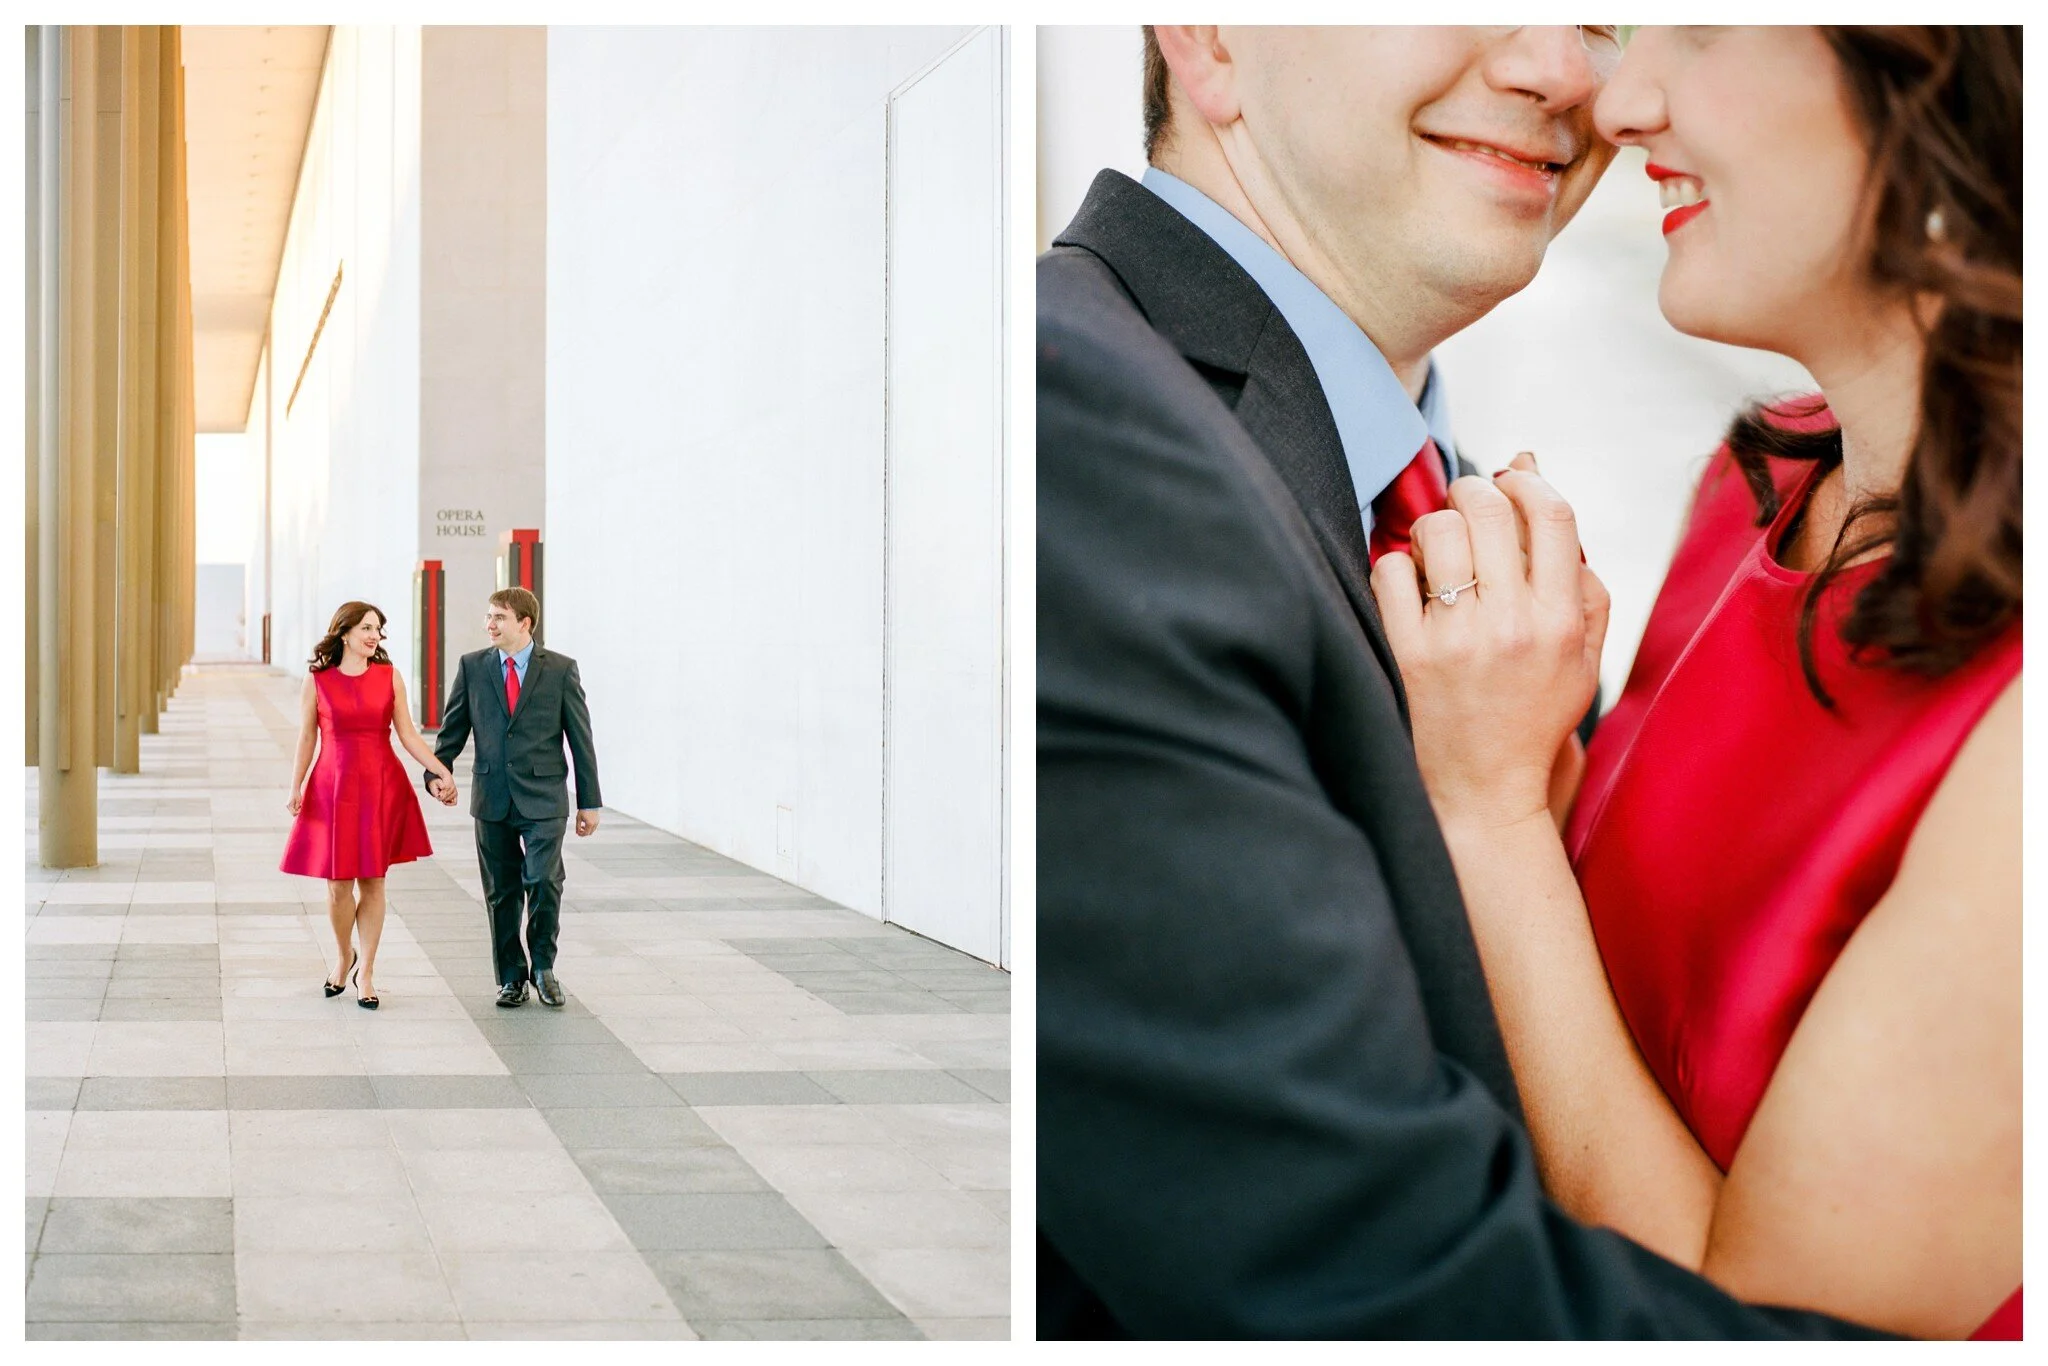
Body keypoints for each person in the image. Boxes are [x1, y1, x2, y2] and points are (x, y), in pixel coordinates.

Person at [1038, 25, 1881, 1338]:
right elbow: (1355, 1279)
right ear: (1205, 36)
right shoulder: (1079, 423)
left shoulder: (1425, 503)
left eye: (1595, 13)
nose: (1569, 74)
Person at [1370, 26, 2020, 1340]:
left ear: (1951, 78)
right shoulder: (1759, 485)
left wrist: (1490, 811)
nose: (1618, 100)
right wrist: (1532, 760)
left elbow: (1746, 1328)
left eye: (1708, 24)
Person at [426, 587, 603, 1008]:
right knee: (501, 892)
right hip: (492, 798)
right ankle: (511, 977)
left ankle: (543, 967)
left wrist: (589, 801)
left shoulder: (560, 669)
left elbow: (580, 738)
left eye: (499, 617)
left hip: (544, 797)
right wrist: (436, 773)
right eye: (489, 616)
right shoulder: (472, 667)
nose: (489, 624)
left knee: (543, 880)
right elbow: (452, 732)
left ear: (525, 623)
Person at [281, 600, 457, 1010]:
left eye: (377, 628)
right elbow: (307, 736)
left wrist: (440, 770)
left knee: (374, 880)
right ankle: (345, 955)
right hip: (333, 786)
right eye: (365, 627)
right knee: (338, 884)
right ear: (344, 633)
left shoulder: (389, 676)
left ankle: (368, 973)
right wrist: (296, 785)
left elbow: (408, 734)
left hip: (380, 785)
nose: (374, 635)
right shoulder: (318, 680)